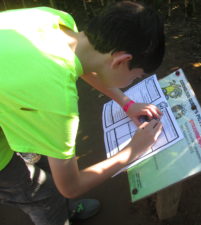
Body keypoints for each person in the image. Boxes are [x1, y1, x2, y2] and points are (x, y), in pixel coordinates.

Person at [0, 1, 165, 225]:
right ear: (122, 60)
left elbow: (87, 65)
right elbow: (71, 187)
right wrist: (134, 150)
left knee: (47, 164)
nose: (132, 81)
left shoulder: (57, 21)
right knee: (45, 195)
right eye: (135, 77)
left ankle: (69, 210)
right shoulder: (56, 99)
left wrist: (126, 103)